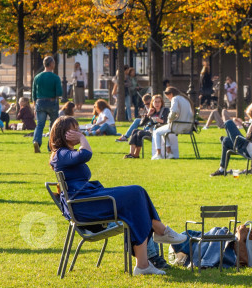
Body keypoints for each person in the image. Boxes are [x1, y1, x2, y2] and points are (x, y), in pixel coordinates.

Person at [48, 116, 188, 275]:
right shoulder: (61, 154)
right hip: (85, 205)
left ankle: (144, 263)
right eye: (74, 130)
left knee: (137, 199)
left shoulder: (64, 153)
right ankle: (161, 233)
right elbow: (86, 154)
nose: (79, 132)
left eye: (78, 129)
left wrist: (80, 137)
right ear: (63, 133)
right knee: (136, 192)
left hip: (89, 200)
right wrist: (82, 138)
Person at [151, 86, 194, 159]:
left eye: (168, 97)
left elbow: (173, 111)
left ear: (171, 94)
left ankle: (158, 154)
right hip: (188, 126)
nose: (169, 99)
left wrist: (169, 120)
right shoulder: (185, 99)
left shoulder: (175, 98)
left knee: (157, 132)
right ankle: (169, 152)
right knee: (163, 132)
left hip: (178, 126)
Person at [32, 56, 63, 153]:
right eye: (54, 62)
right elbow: (59, 93)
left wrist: (34, 104)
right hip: (52, 102)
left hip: (40, 102)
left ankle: (36, 141)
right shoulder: (55, 77)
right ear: (51, 64)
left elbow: (33, 92)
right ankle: (51, 146)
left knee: (40, 124)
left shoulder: (37, 77)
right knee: (53, 125)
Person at [125, 94, 168, 159]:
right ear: (152, 103)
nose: (157, 104)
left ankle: (136, 154)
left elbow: (167, 122)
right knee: (135, 131)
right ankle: (131, 153)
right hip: (151, 131)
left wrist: (160, 120)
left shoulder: (165, 110)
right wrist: (148, 115)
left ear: (162, 103)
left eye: (159, 102)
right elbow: (142, 124)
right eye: (155, 102)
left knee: (140, 133)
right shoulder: (152, 111)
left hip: (159, 132)